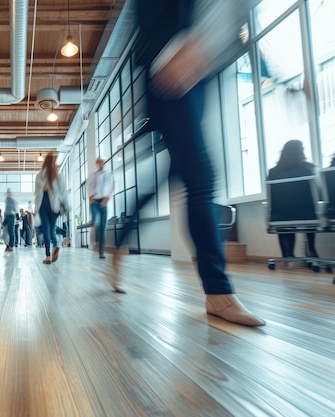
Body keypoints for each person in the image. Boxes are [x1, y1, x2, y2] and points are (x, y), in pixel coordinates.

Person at [110, 0, 265, 326]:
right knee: (201, 176)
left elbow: (237, 15)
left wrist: (272, 73)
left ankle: (118, 245)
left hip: (202, 70)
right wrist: (164, 51)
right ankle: (218, 291)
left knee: (177, 174)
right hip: (170, 68)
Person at [267, 140, 318, 259]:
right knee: (309, 212)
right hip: (306, 214)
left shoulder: (272, 172)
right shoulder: (307, 169)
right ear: (300, 152)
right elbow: (315, 193)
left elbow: (272, 198)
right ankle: (311, 249)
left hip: (280, 216)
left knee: (286, 220)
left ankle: (287, 254)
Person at [34, 153, 70, 264]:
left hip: (43, 203)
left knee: (46, 230)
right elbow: (64, 193)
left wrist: (35, 209)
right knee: (52, 228)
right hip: (54, 205)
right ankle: (55, 245)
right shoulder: (58, 175)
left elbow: (36, 193)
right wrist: (67, 205)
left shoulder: (39, 175)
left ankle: (48, 256)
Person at [88, 157, 114, 259]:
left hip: (104, 201)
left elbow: (113, 186)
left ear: (104, 163)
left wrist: (108, 197)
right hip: (95, 201)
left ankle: (101, 252)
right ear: (97, 163)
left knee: (103, 227)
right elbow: (90, 186)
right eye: (98, 163)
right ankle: (94, 220)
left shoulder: (109, 174)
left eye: (102, 162)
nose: (100, 164)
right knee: (97, 223)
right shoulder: (94, 175)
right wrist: (90, 197)